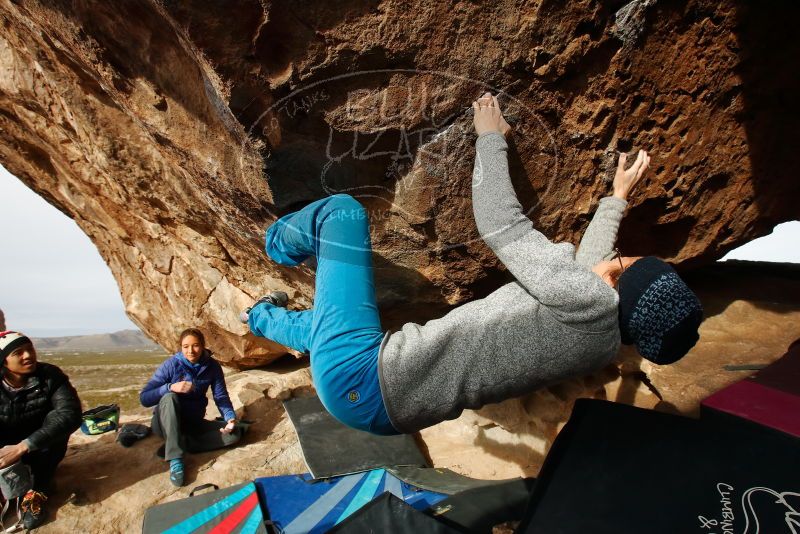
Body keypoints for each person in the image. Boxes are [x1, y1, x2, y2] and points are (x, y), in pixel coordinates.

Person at [241, 92, 703, 436]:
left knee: (341, 212)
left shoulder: (587, 299)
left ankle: (275, 245)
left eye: (621, 265)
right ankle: (259, 317)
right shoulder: (602, 341)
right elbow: (591, 269)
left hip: (360, 374)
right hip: (384, 411)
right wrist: (617, 198)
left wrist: (490, 140)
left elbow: (501, 221)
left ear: (617, 286)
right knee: (324, 332)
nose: (610, 261)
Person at [0, 330, 82, 529]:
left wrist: (23, 447)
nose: (28, 355)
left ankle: (37, 490)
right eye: (18, 352)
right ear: (3, 361)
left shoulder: (50, 376)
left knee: (57, 421)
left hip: (39, 448)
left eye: (30, 349)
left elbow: (70, 414)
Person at [140, 328, 242, 487]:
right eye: (185, 346)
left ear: (202, 346)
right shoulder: (171, 365)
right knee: (169, 397)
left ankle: (179, 444)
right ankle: (175, 458)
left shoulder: (212, 367)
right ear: (180, 347)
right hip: (165, 425)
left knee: (235, 433)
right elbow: (144, 398)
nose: (190, 351)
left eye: (195, 345)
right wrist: (170, 387)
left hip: (192, 424)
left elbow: (220, 396)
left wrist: (230, 418)